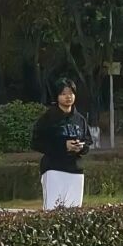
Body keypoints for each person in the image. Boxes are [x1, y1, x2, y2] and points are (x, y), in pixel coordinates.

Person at [31, 78, 92, 210]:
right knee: (52, 210)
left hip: (75, 170)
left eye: (71, 93)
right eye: (63, 94)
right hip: (53, 169)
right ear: (57, 96)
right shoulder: (48, 118)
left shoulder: (80, 119)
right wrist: (63, 146)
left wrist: (80, 147)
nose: (68, 97)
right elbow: (36, 142)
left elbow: (87, 143)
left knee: (74, 212)